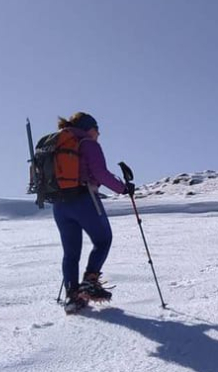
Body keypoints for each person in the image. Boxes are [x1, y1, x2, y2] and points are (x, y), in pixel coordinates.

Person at [53, 112, 135, 313]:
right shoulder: (88, 143)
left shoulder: (57, 144)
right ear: (89, 128)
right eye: (97, 128)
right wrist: (123, 189)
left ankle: (73, 297)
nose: (99, 133)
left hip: (59, 204)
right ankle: (90, 283)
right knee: (103, 240)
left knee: (71, 253)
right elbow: (100, 173)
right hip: (84, 199)